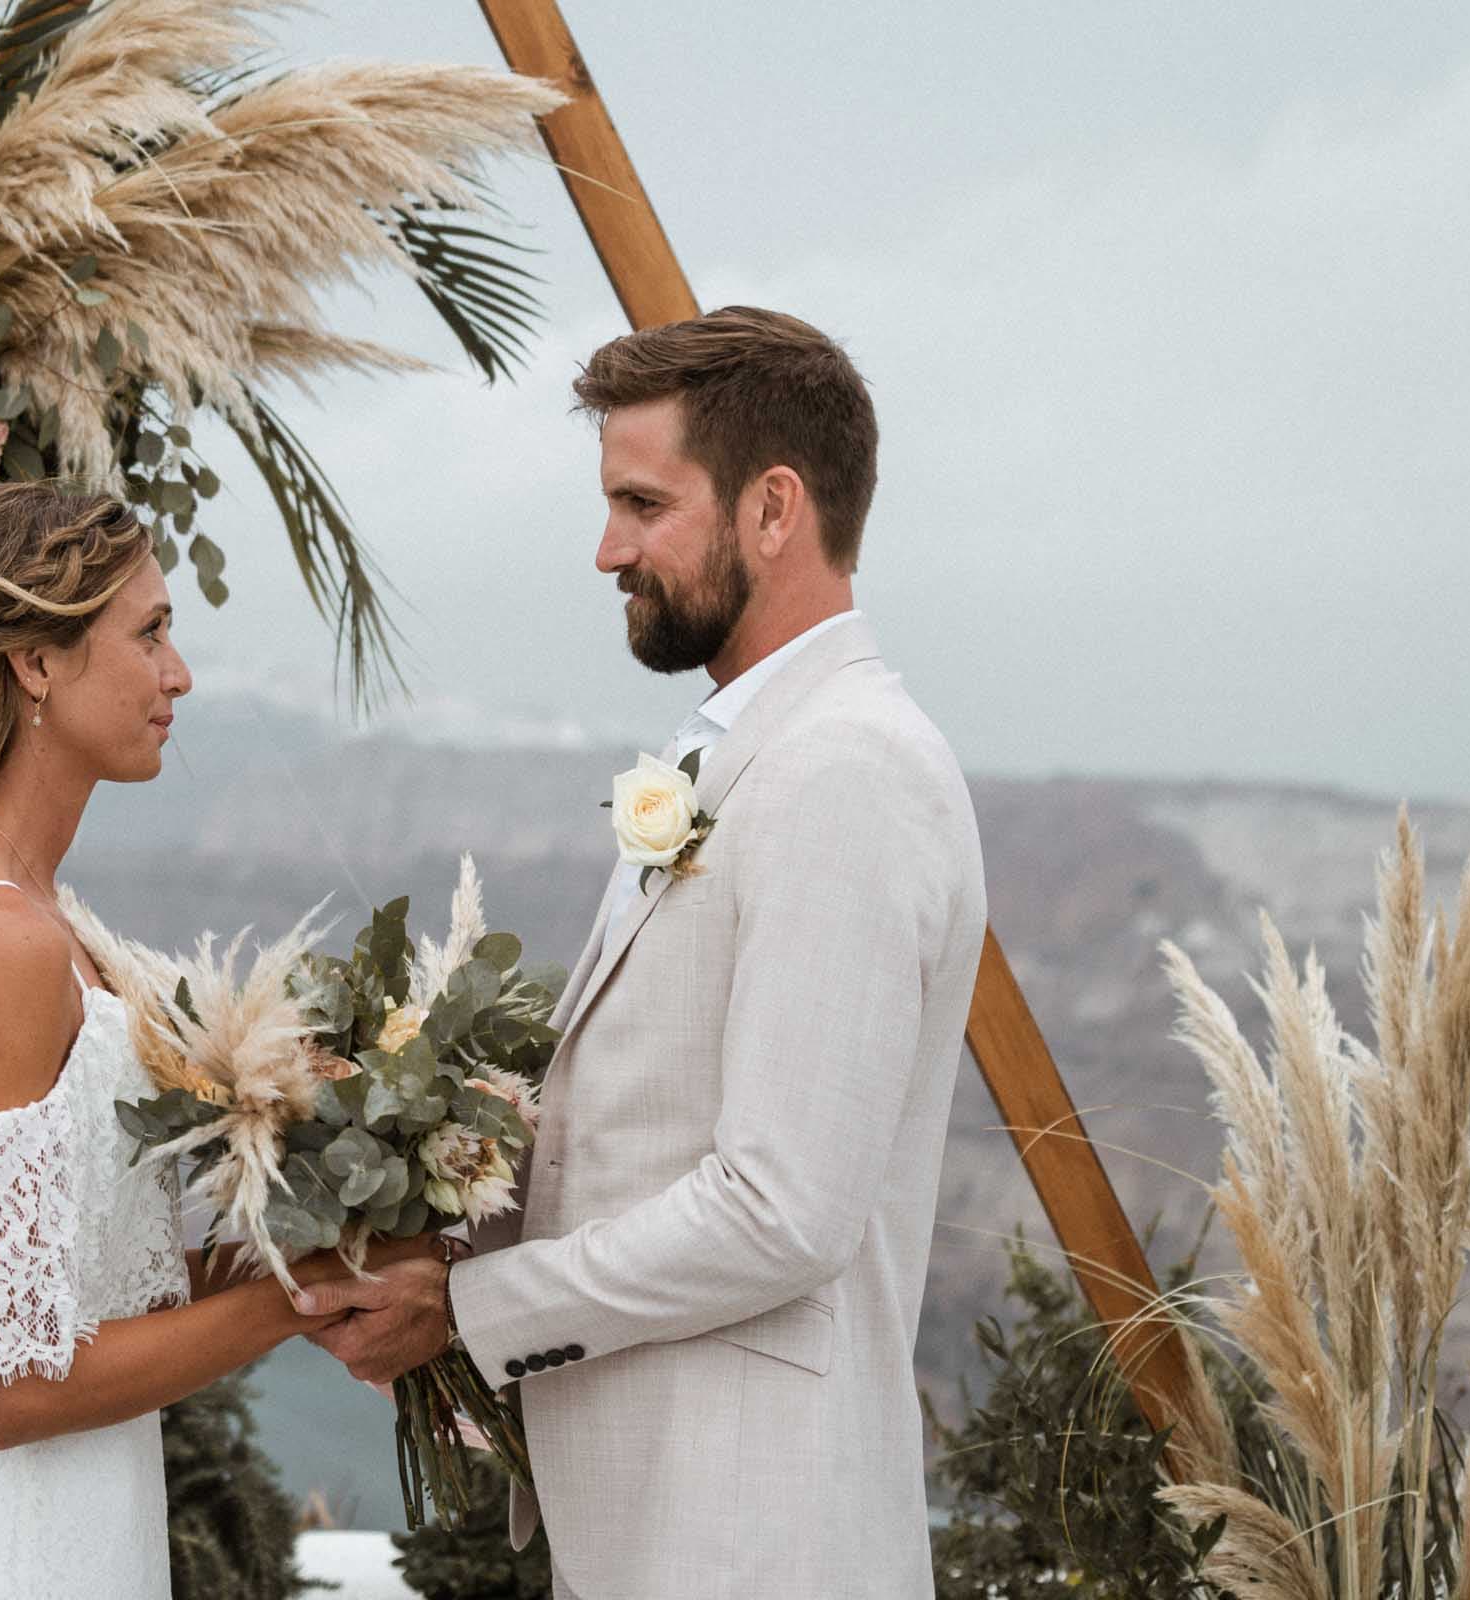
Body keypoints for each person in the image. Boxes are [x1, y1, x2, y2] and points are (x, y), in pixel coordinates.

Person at [295, 307, 990, 1598]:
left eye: (642, 503)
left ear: (773, 509)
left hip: (752, 1536)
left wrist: (470, 1312)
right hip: (663, 1521)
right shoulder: (740, 752)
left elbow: (782, 1212)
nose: (607, 549)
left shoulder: (844, 770)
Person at [0, 483, 428, 1598]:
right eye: (148, 633)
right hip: (8, 1551)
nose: (177, 674)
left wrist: (329, 1241)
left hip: (74, 1525)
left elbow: (77, 1293)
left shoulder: (35, 914)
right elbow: (13, 1391)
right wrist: (303, 1295)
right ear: (35, 662)